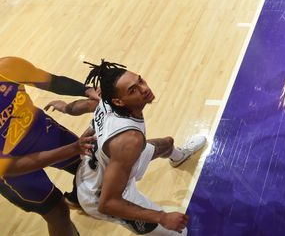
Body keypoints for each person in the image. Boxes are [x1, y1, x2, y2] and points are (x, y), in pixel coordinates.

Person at [65, 60, 207, 235]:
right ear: (118, 101)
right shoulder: (129, 141)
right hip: (102, 195)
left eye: (140, 81)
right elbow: (107, 203)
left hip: (102, 167)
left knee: (166, 144)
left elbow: (84, 105)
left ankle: (179, 157)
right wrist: (162, 217)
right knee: (179, 233)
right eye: (133, 90)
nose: (144, 88)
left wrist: (65, 108)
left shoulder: (106, 99)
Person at [0, 56, 99, 236]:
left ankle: (78, 198)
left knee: (93, 168)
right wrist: (72, 149)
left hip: (45, 133)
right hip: (15, 172)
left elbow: (52, 82)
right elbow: (11, 167)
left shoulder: (6, 67)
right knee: (58, 212)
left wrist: (87, 90)